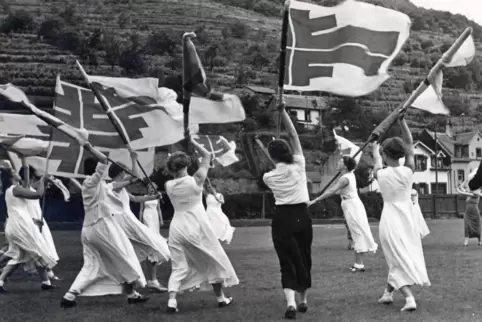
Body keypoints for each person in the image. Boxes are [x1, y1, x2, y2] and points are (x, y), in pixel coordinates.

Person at [60, 144, 149, 308]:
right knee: (124, 257)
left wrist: (134, 159)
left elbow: (132, 177)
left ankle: (69, 296)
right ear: (95, 169)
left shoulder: (103, 186)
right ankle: (132, 293)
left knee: (95, 264)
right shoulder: (91, 183)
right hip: (101, 227)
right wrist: (88, 145)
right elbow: (103, 159)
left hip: (89, 229)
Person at [164, 137, 239, 314]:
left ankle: (172, 301)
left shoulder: (168, 185)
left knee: (179, 265)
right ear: (186, 163)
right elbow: (206, 156)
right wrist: (192, 142)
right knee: (214, 260)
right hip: (196, 225)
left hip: (176, 227)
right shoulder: (196, 179)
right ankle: (221, 298)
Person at [372, 114, 430, 312]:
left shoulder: (380, 174)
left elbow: (377, 163)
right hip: (408, 219)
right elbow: (410, 144)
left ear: (386, 154)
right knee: (398, 256)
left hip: (390, 220)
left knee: (395, 258)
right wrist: (403, 122)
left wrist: (374, 147)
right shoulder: (409, 171)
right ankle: (388, 293)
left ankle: (409, 298)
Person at [262, 104, 312, 320]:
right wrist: (283, 111)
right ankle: (303, 301)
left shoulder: (268, 177)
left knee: (287, 260)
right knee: (303, 255)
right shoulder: (299, 165)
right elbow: (293, 134)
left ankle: (291, 302)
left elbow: (286, 143)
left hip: (282, 218)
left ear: (272, 156)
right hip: (302, 215)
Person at [108, 151, 170, 293]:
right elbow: (135, 177)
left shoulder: (120, 187)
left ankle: (149, 281)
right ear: (120, 172)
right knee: (147, 245)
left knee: (147, 246)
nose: (127, 173)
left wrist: (153, 197)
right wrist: (133, 159)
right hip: (123, 221)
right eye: (125, 171)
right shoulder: (112, 186)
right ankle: (141, 282)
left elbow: (135, 199)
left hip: (128, 220)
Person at [308, 156, 378, 272]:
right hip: (350, 204)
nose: (338, 162)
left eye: (341, 161)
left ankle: (359, 264)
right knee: (356, 232)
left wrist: (315, 200)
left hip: (352, 206)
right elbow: (339, 191)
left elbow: (332, 190)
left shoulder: (345, 178)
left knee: (356, 232)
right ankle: (358, 262)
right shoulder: (348, 176)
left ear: (345, 166)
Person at [0, 165, 56, 293]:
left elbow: (25, 170)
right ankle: (46, 281)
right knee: (37, 251)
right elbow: (38, 194)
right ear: (11, 177)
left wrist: (23, 158)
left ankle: (46, 282)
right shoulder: (15, 189)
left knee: (18, 255)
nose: (16, 171)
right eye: (13, 171)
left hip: (16, 225)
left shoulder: (12, 189)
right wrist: (42, 180)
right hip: (19, 226)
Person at [19, 165, 60, 281]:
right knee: (37, 248)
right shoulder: (23, 188)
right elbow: (39, 192)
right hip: (32, 221)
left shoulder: (30, 186)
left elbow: (38, 186)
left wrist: (45, 179)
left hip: (38, 219)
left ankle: (48, 272)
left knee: (43, 246)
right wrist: (43, 179)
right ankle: (48, 273)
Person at [456, 172, 482, 247]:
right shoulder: (470, 190)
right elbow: (462, 188)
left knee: (478, 225)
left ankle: (480, 240)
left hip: (475, 211)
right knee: (466, 226)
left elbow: (463, 192)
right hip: (467, 212)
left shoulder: (478, 191)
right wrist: (465, 180)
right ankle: (466, 241)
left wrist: (459, 190)